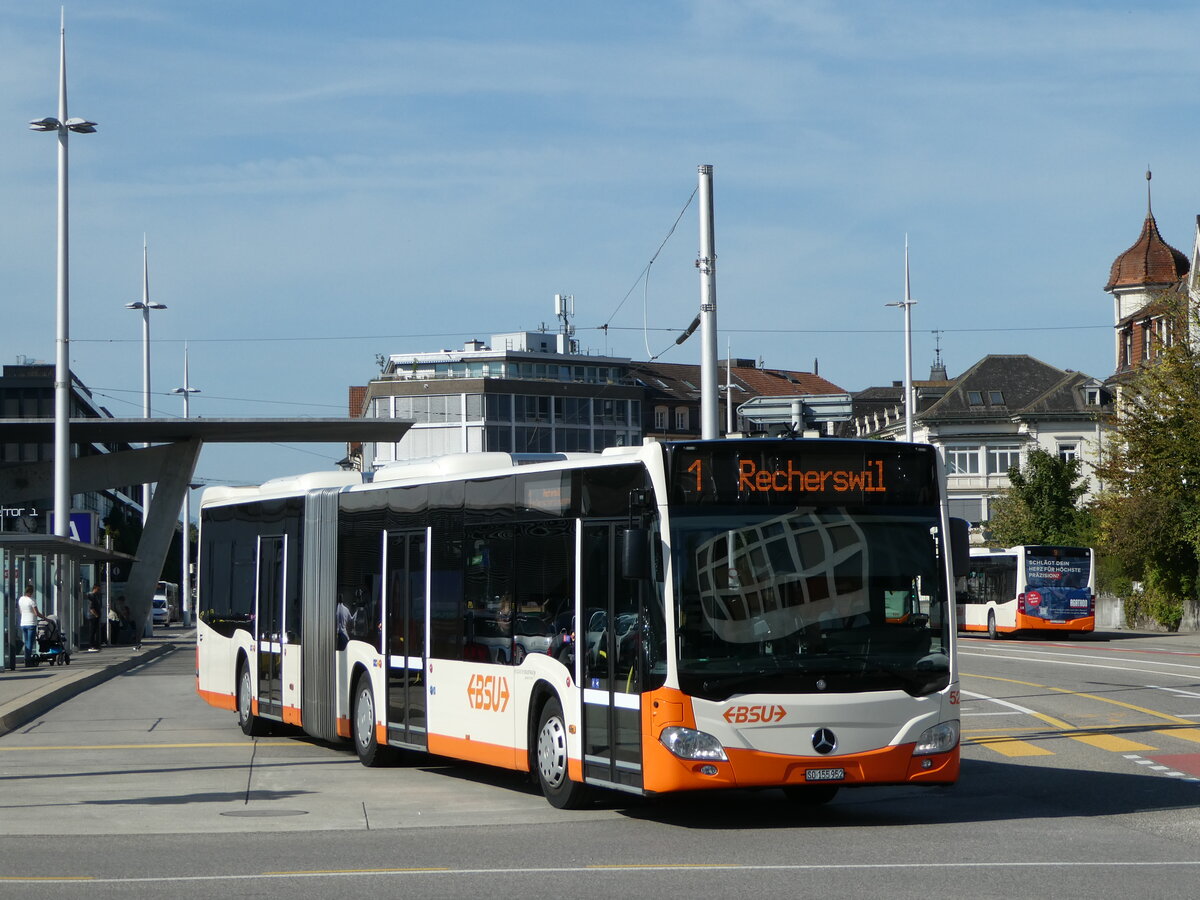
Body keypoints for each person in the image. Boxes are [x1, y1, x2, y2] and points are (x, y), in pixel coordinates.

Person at [18, 582, 47, 667]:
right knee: (30, 643)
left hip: (23, 623)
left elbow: (20, 611)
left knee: (26, 641)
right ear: (31, 592)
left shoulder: (21, 599)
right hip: (31, 623)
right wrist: (45, 618)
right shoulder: (32, 600)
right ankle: (28, 660)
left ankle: (27, 658)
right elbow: (36, 613)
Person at [85, 584, 103, 651]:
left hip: (95, 616)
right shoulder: (91, 596)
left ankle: (95, 645)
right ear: (94, 589)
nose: (99, 591)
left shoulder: (95, 596)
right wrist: (96, 615)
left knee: (95, 631)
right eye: (98, 589)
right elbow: (91, 607)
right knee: (92, 631)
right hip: (93, 616)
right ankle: (91, 645)